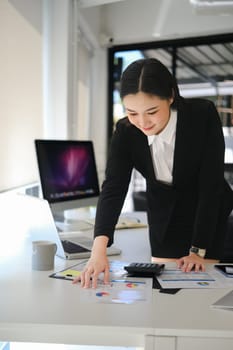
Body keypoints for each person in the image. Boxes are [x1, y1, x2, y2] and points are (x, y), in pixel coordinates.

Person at [73, 58, 233, 288]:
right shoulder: (126, 131)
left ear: (170, 96)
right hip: (164, 213)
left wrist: (197, 250)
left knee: (200, 287)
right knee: (165, 288)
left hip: (207, 211)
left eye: (151, 111)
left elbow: (211, 184)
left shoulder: (201, 115)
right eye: (132, 112)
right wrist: (98, 251)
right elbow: (114, 187)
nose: (142, 122)